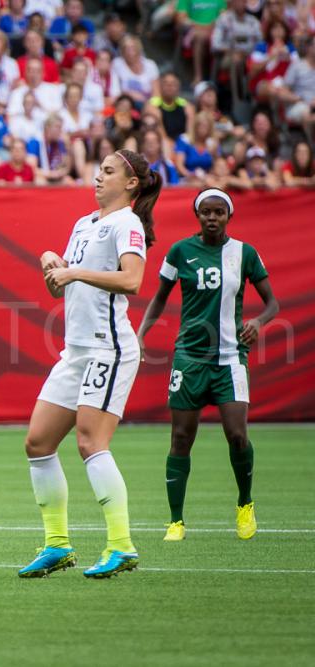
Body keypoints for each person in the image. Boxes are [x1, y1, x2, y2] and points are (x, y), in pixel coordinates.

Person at [19, 148, 162, 579]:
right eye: (99, 170)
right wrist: (54, 266)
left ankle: (121, 545)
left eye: (108, 171)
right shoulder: (84, 224)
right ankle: (57, 545)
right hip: (76, 350)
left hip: (109, 348)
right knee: (38, 443)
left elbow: (132, 280)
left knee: (90, 442)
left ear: (131, 183)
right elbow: (60, 288)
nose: (98, 177)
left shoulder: (127, 223)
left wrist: (74, 272)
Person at [137, 189, 279, 543]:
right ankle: (176, 521)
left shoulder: (244, 253)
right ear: (197, 215)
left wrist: (258, 322)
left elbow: (272, 304)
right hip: (189, 358)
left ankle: (244, 503)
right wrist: (140, 334)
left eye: (218, 212)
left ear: (229, 216)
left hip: (230, 358)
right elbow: (159, 298)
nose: (212, 218)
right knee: (181, 437)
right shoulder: (179, 251)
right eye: (206, 212)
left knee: (237, 435)